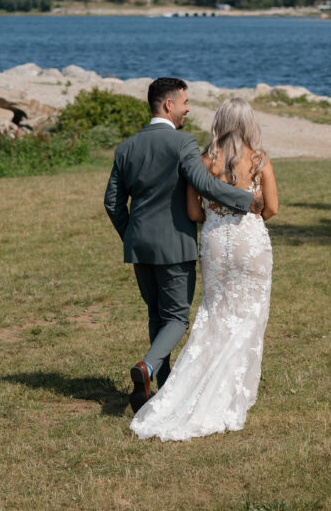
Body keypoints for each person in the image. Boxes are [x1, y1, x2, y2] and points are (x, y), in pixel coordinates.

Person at [104, 77, 262, 413]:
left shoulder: (126, 148)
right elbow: (204, 184)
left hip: (140, 247)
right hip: (174, 245)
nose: (189, 109)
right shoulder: (182, 143)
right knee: (176, 319)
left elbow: (112, 203)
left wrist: (131, 234)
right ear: (168, 104)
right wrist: (245, 200)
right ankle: (146, 368)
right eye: (185, 102)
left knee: (156, 315)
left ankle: (161, 388)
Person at [131, 96, 277, 441]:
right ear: (249, 124)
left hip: (213, 244)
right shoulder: (260, 159)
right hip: (249, 242)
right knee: (249, 317)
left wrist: (215, 217)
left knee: (215, 315)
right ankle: (231, 392)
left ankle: (191, 387)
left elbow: (194, 214)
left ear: (219, 123)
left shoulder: (204, 162)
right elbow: (270, 207)